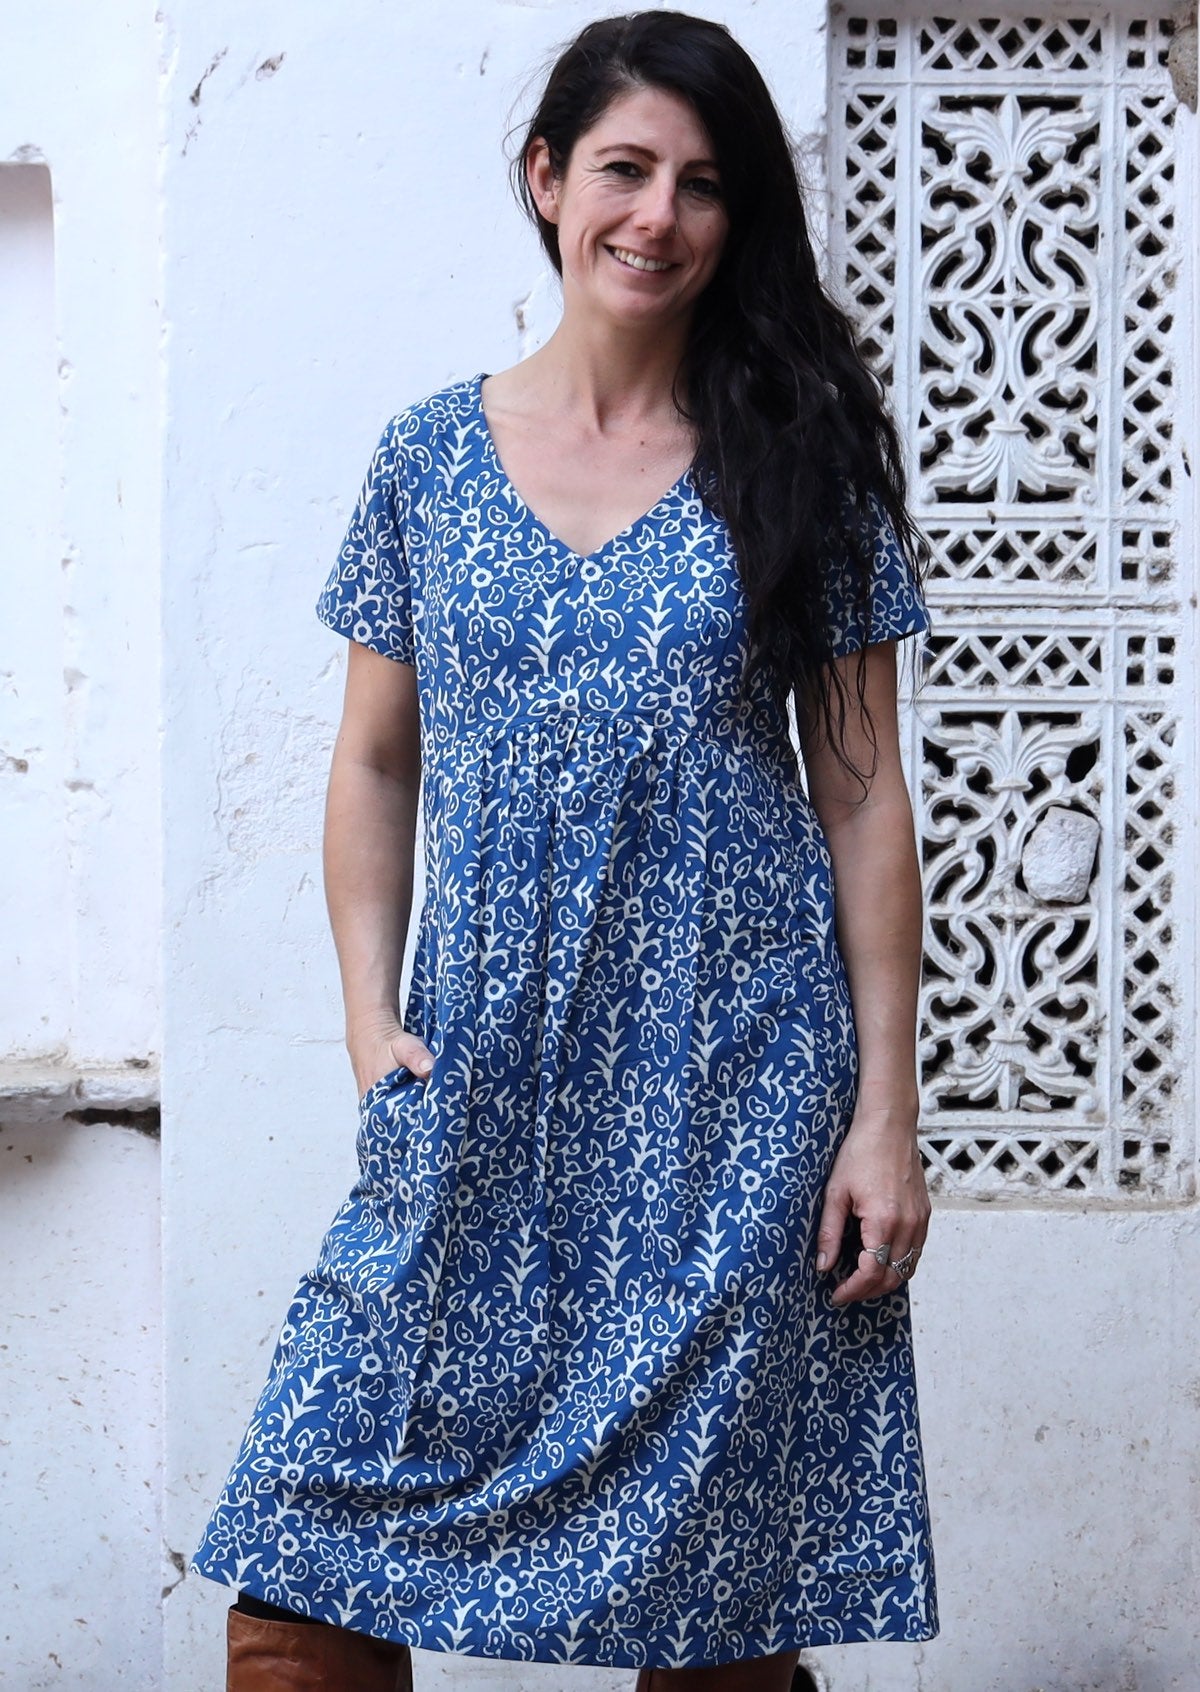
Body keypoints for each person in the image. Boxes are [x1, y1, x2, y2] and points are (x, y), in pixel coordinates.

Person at [192, 11, 938, 1690]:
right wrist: (369, 1022)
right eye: (622, 168)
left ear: (735, 219)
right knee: (298, 1583)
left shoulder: (797, 462)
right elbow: (375, 763)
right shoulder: (425, 460)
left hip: (736, 1100)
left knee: (716, 1613)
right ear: (546, 181)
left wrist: (884, 1116)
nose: (656, 215)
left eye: (701, 184)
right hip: (486, 1075)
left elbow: (865, 796)